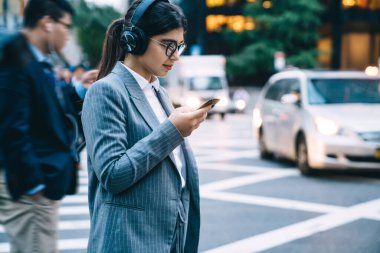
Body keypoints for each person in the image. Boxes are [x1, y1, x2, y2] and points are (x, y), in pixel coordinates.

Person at [81, 0, 211, 252]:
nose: (175, 55)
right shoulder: (106, 91)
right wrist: (173, 131)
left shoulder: (158, 92)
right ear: (135, 40)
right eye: (167, 45)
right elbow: (112, 174)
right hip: (128, 241)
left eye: (179, 46)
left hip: (167, 240)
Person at [0, 0, 98, 252]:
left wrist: (78, 89)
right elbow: (12, 127)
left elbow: (45, 106)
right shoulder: (14, 57)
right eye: (66, 26)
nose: (68, 33)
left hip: (40, 183)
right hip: (30, 187)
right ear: (47, 22)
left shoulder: (35, 57)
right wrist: (34, 185)